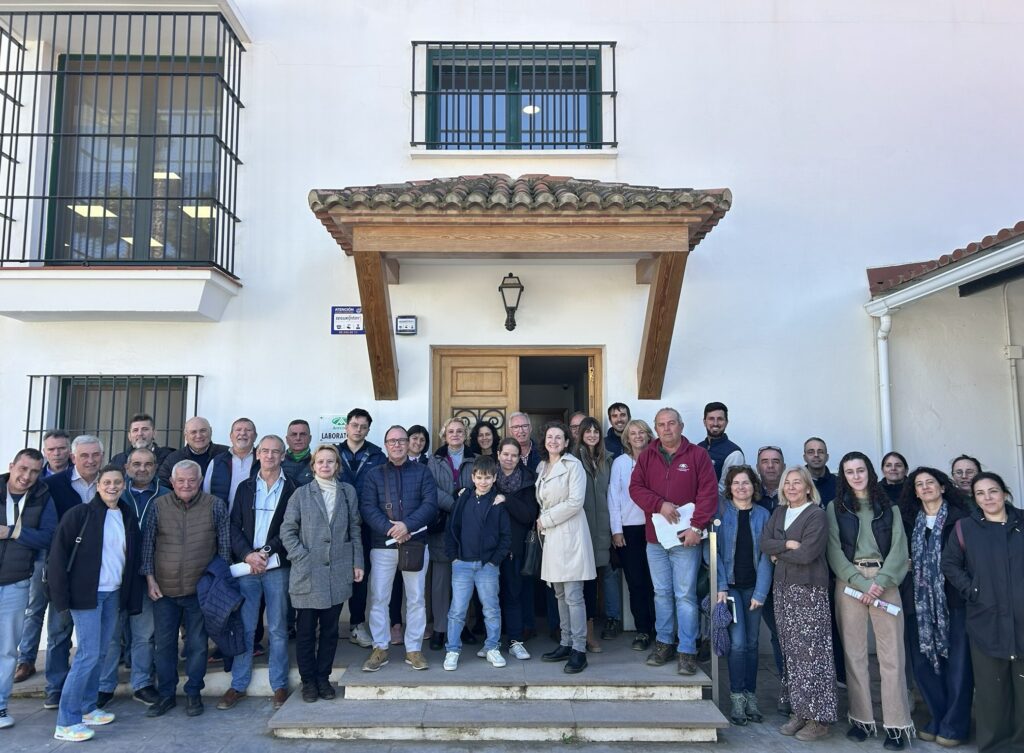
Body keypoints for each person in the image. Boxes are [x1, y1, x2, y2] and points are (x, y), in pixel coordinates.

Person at [48, 464, 143, 742]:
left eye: (117, 482)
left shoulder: (126, 514)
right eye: (107, 482)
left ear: (123, 485)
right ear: (98, 486)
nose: (112, 487)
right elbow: (58, 557)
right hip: (86, 595)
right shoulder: (79, 514)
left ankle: (88, 708)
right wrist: (61, 598)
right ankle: (66, 722)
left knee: (100, 653)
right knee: (87, 654)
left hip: (113, 593)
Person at [826, 452, 912, 749]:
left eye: (860, 470)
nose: (856, 476)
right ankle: (861, 720)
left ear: (870, 472)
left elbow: (899, 548)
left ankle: (896, 725)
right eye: (849, 472)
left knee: (892, 655)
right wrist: (860, 582)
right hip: (850, 582)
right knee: (854, 654)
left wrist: (880, 582)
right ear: (844, 476)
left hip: (885, 581)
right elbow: (834, 550)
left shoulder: (889, 507)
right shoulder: (835, 508)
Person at [628, 407, 718, 676]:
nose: (666, 428)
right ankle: (664, 643)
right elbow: (635, 488)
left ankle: (687, 650)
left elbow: (708, 494)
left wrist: (697, 527)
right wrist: (659, 504)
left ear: (681, 425)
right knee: (661, 593)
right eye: (661, 424)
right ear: (656, 428)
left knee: (685, 596)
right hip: (655, 540)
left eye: (671, 423)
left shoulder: (698, 455)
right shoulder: (647, 456)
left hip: (686, 539)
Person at [141, 459, 231, 718]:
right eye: (180, 480)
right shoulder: (158, 505)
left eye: (192, 480)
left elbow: (224, 548)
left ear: (200, 481)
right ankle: (166, 695)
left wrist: (216, 584)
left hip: (199, 590)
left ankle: (193, 693)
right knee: (164, 646)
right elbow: (148, 545)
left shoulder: (215, 505)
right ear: (172, 482)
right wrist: (150, 579)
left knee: (198, 645)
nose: (186, 485)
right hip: (164, 590)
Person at [942, 472, 1024, 753]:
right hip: (986, 619)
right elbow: (950, 563)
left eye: (993, 491)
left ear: (1005, 493)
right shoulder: (965, 528)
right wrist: (972, 590)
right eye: (980, 493)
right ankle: (995, 746)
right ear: (974, 499)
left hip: (1021, 619)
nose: (988, 498)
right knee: (992, 690)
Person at [280, 444, 363, 702]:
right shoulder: (301, 494)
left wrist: (357, 562)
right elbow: (287, 531)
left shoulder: (348, 492)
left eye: (330, 461)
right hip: (308, 572)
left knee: (329, 631)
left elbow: (355, 529)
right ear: (313, 466)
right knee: (305, 632)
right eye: (320, 461)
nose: (325, 465)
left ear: (337, 466)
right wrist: (301, 557)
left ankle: (323, 679)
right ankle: (308, 682)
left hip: (337, 572)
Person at [760, 465, 837, 741]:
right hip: (782, 590)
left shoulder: (816, 514)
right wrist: (787, 545)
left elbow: (806, 554)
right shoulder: (779, 512)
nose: (791, 487)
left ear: (807, 487)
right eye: (787, 482)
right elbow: (765, 543)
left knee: (813, 653)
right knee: (791, 652)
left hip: (808, 590)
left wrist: (779, 553)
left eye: (797, 482)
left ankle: (819, 718)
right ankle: (800, 712)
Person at [221, 435, 297, 711]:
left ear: (283, 456)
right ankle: (238, 684)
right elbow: (233, 526)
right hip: (248, 566)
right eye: (265, 451)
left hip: (276, 566)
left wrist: (264, 552)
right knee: (246, 626)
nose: (269, 456)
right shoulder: (245, 487)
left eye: (275, 452)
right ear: (257, 454)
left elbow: (291, 526)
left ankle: (279, 685)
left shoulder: (293, 488)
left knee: (277, 627)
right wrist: (247, 555)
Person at [901, 467, 972, 747]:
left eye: (930, 482)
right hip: (918, 603)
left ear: (942, 487)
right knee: (923, 664)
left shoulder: (961, 520)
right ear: (915, 492)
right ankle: (938, 717)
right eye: (919, 484)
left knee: (958, 665)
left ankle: (955, 724)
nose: (925, 487)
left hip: (953, 601)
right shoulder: (908, 521)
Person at [359, 425, 438, 672]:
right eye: (392, 441)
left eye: (401, 440)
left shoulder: (423, 472)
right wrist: (391, 529)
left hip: (415, 543)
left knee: (416, 598)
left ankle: (413, 649)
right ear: (385, 445)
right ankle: (380, 648)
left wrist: (407, 526)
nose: (397, 445)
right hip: (382, 545)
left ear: (408, 444)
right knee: (379, 598)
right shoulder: (374, 474)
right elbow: (367, 507)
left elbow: (430, 504)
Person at [96, 448, 170, 707]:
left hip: (149, 575)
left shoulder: (166, 495)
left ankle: (142, 684)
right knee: (110, 634)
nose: (142, 469)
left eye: (148, 464)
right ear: (127, 467)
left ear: (155, 467)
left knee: (143, 634)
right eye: (136, 464)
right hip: (114, 575)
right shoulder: (115, 492)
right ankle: (104, 685)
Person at [41, 435, 105, 710]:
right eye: (84, 455)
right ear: (73, 457)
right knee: (59, 630)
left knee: (96, 637)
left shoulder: (110, 482)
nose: (90, 460)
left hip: (101, 570)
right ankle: (56, 688)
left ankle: (91, 690)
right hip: (65, 568)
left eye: (95, 455)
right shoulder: (54, 485)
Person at [0, 449, 56, 730]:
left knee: (8, 648)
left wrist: (13, 532)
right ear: (12, 466)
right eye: (23, 469)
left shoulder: (42, 496)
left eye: (34, 471)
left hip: (17, 581)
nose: (27, 476)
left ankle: (0, 706)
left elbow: (49, 536)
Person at [712, 465, 772, 727]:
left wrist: (761, 591)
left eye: (745, 482)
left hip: (754, 589)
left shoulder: (763, 515)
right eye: (735, 483)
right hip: (731, 588)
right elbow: (711, 551)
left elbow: (768, 555)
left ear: (753, 486)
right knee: (737, 644)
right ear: (729, 487)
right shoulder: (721, 513)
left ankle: (751, 696)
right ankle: (737, 697)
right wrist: (721, 585)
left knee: (752, 643)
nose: (741, 487)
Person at [442, 455, 512, 671]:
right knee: (457, 610)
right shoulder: (463, 499)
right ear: (473, 477)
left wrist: (493, 561)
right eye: (480, 477)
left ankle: (492, 647)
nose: (483, 482)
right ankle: (452, 650)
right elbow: (451, 529)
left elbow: (505, 536)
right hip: (462, 564)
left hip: (486, 566)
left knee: (491, 609)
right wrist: (454, 557)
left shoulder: (497, 503)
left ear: (494, 478)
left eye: (488, 478)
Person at [535, 421, 593, 674]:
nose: (554, 441)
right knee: (559, 593)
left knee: (573, 594)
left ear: (567, 442)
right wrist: (544, 522)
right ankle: (566, 642)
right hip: (551, 536)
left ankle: (579, 649)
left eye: (559, 437)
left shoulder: (574, 465)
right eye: (550, 437)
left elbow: (575, 502)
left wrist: (545, 520)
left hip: (570, 534)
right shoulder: (542, 466)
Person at [14, 431, 69, 685]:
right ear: (45, 452)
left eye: (61, 448)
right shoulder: (34, 478)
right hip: (37, 553)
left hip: (67, 553)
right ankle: (26, 659)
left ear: (69, 450)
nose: (57, 453)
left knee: (62, 613)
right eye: (52, 449)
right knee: (34, 608)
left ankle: (58, 667)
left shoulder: (74, 476)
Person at [336, 408, 386, 649]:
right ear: (346, 426)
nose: (358, 430)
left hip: (366, 525)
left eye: (363, 427)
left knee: (360, 575)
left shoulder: (377, 455)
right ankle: (329, 624)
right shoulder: (333, 453)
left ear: (368, 430)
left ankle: (357, 624)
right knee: (334, 573)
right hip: (335, 524)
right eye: (354, 425)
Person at [607, 419, 656, 652]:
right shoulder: (620, 463)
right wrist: (616, 530)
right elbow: (613, 497)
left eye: (641, 432)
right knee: (636, 583)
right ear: (627, 438)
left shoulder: (658, 459)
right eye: (633, 433)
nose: (637, 436)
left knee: (658, 583)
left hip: (656, 527)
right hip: (629, 530)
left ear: (648, 435)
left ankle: (662, 632)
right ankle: (643, 630)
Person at [427, 419, 476, 650]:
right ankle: (440, 628)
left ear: (466, 435)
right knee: (440, 583)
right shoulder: (433, 461)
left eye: (459, 431)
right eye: (450, 431)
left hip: (468, 528)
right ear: (444, 435)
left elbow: (480, 487)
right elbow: (430, 489)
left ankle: (463, 625)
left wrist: (463, 505)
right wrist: (454, 504)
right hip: (441, 527)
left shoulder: (475, 460)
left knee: (464, 581)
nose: (455, 435)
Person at [494, 437, 539, 661]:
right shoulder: (488, 476)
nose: (509, 459)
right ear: (498, 454)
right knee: (489, 597)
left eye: (514, 455)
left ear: (519, 457)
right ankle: (491, 641)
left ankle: (515, 640)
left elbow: (529, 515)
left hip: (515, 547)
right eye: (505, 454)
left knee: (513, 594)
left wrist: (506, 500)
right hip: (490, 548)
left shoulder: (528, 479)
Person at [573, 416, 614, 652]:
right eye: (587, 431)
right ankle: (583, 634)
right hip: (580, 529)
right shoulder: (573, 459)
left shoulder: (608, 460)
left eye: (595, 431)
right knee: (580, 585)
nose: (591, 435)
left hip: (602, 531)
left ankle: (589, 632)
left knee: (594, 582)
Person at [752, 445, 786, 689]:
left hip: (792, 576)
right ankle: (787, 687)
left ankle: (794, 689)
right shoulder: (751, 496)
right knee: (777, 633)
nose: (771, 466)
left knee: (789, 635)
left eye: (775, 461)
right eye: (765, 461)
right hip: (761, 579)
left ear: (783, 465)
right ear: (758, 467)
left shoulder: (793, 493)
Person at [204, 417, 258, 510]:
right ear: (231, 436)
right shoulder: (217, 462)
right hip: (223, 517)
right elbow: (206, 494)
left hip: (253, 517)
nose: (243, 433)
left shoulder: (262, 461)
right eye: (238, 430)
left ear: (255, 436)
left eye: (248, 430)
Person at [157, 416, 228, 485]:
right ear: (186, 435)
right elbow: (162, 484)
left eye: (203, 431)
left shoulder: (226, 454)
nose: (199, 436)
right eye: (193, 432)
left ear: (211, 431)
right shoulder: (173, 459)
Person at [697, 401, 745, 493]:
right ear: (704, 422)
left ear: (726, 422)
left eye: (720, 419)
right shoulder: (698, 448)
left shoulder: (734, 453)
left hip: (715, 502)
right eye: (711, 419)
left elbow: (725, 491)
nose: (715, 423)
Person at [109, 414, 175, 469]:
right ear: (129, 436)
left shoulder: (168, 457)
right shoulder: (118, 460)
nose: (140, 433)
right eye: (135, 430)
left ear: (154, 434)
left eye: (145, 429)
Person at [803, 437, 837, 505]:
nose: (816, 455)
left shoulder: (839, 483)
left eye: (820, 452)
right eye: (811, 452)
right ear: (805, 457)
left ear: (827, 457)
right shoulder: (796, 483)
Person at [282, 419, 314, 486]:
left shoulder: (318, 463)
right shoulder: (276, 463)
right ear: (287, 439)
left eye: (303, 434)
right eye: (294, 434)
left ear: (310, 438)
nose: (298, 438)